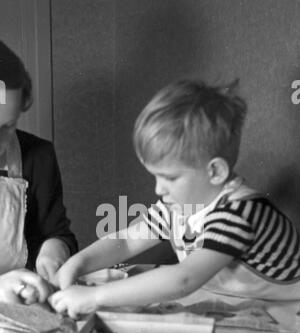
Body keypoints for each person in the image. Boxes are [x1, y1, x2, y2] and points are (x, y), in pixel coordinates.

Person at [49, 78, 300, 318]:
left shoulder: (238, 212)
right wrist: (78, 263)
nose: (159, 189)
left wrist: (95, 296)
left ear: (215, 171)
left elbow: (184, 278)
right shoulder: (177, 207)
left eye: (169, 177)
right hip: (244, 303)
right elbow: (126, 241)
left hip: (289, 308)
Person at [0, 40, 78, 288]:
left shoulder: (38, 156)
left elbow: (56, 232)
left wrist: (53, 251)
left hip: (19, 310)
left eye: (8, 126)